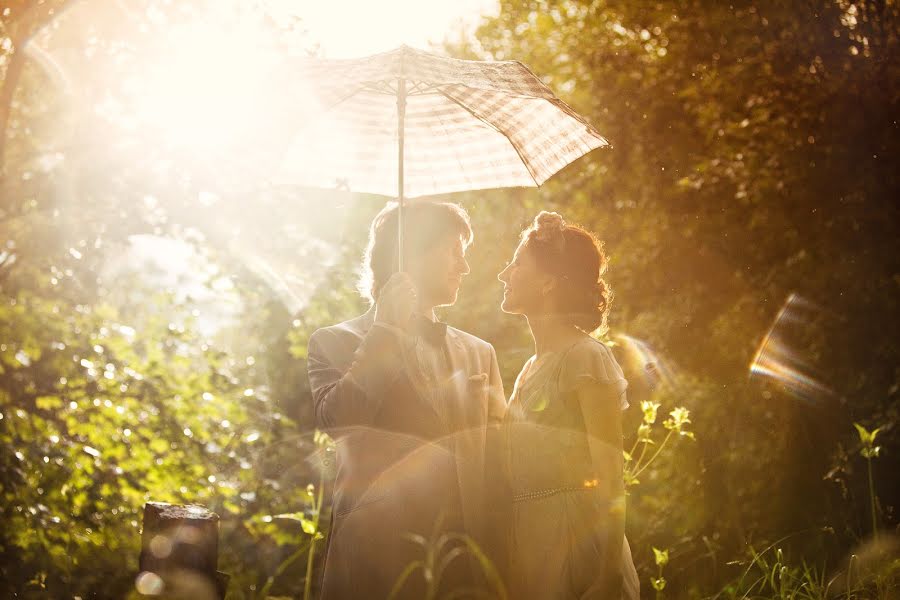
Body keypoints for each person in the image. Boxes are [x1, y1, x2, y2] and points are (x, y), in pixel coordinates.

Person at [307, 201, 506, 599]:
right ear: (411, 252)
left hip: (462, 565)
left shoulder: (480, 353)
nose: (464, 267)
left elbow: (501, 463)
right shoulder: (335, 341)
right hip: (372, 562)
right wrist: (385, 332)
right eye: (455, 252)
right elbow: (337, 420)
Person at [497, 211, 640, 599]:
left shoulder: (585, 358)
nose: (503, 274)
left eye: (517, 264)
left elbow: (611, 473)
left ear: (546, 282)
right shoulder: (529, 368)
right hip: (529, 542)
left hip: (575, 538)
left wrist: (608, 573)